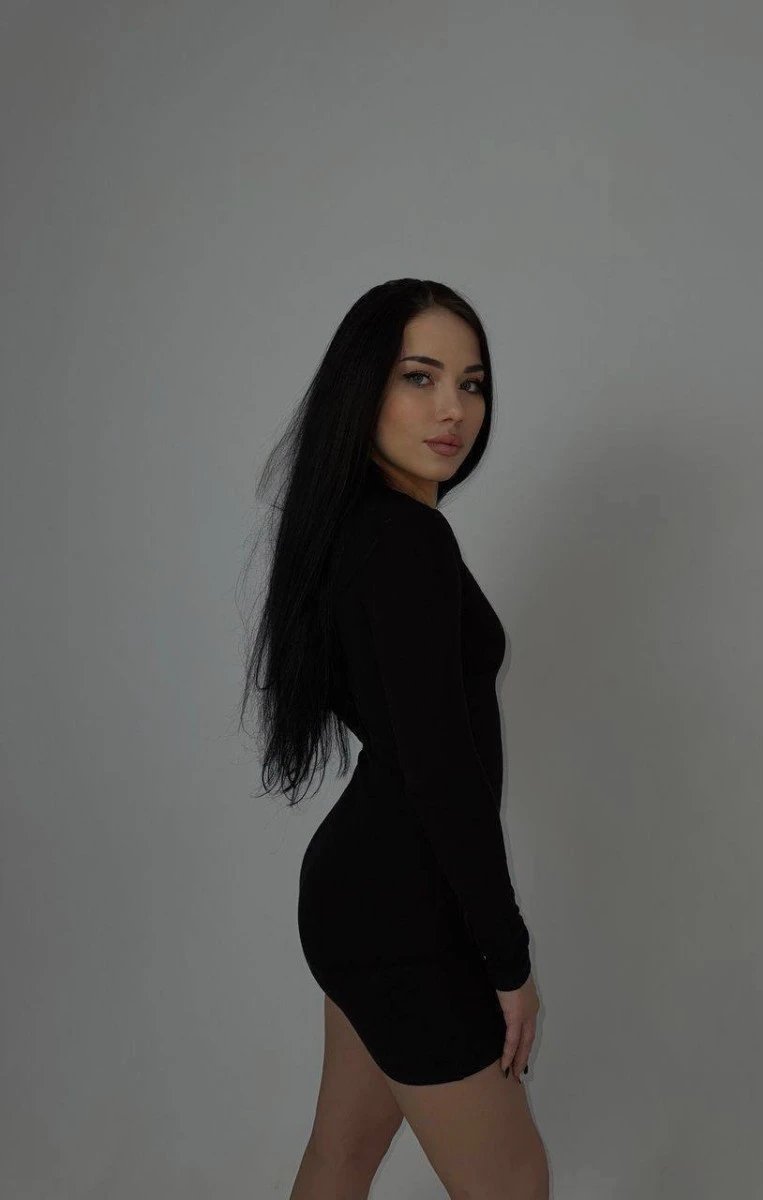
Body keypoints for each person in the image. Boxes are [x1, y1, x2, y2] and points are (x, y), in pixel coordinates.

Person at [240, 279, 549, 1199]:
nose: (453, 409)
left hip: (363, 899)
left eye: (472, 383)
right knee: (513, 1185)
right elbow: (441, 771)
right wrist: (507, 958)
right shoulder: (406, 541)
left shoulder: (358, 531)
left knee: (341, 1154)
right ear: (363, 387)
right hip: (405, 915)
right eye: (420, 377)